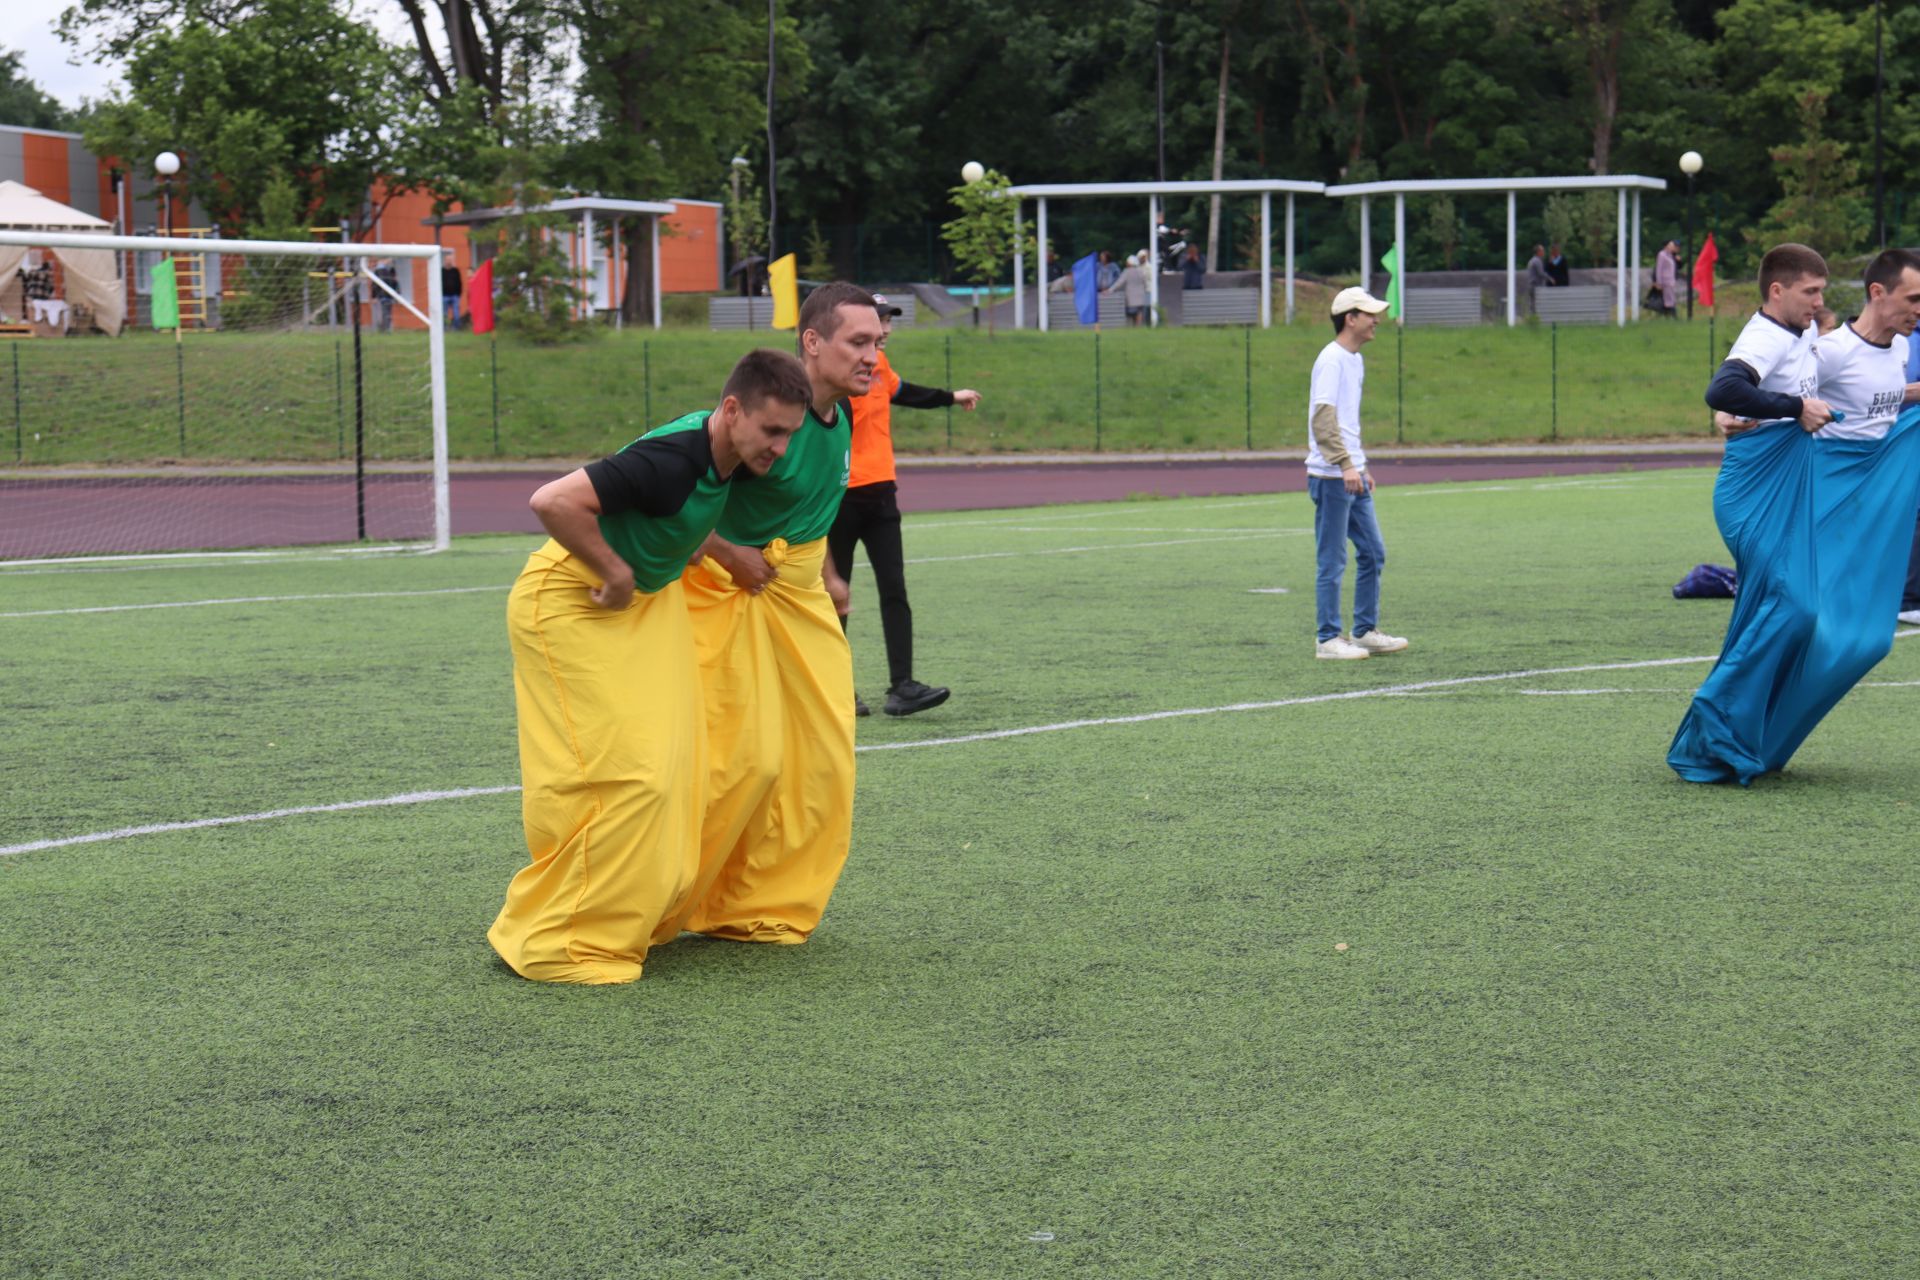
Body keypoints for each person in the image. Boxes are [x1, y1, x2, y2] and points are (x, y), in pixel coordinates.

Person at [487, 348, 811, 983]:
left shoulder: (726, 455)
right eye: (772, 431)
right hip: (573, 601)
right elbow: (551, 501)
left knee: (677, 770)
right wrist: (614, 570)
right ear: (733, 409)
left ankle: (633, 916)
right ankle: (557, 938)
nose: (780, 447)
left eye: (790, 434)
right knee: (631, 779)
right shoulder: (673, 460)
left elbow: (684, 518)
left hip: (637, 608)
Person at [656, 282, 881, 948]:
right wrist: (727, 553)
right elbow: (663, 490)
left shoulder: (842, 419)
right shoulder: (759, 422)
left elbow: (811, 512)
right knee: (740, 763)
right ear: (812, 343)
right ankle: (663, 900)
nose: (873, 357)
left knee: (822, 763)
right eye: (859, 342)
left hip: (798, 603)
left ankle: (757, 905)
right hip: (732, 602)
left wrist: (829, 575)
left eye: (879, 344)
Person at [1668, 245, 1920, 784]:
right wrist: (1734, 411)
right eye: (1811, 291)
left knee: (1813, 617)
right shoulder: (1786, 338)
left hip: (1791, 485)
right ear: (1778, 290)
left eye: (1823, 292)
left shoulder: (1806, 336)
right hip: (1763, 490)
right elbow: (1729, 388)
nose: (1821, 301)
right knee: (1797, 608)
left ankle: (1741, 737)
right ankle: (1716, 713)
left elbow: (1854, 392)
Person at [831, 293, 981, 717]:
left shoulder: (880, 368)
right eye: (880, 322)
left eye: (888, 322)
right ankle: (837, 689)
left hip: (881, 494)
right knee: (834, 595)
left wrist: (951, 397)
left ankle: (903, 686)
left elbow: (904, 392)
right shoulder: (838, 376)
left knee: (894, 589)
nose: (887, 330)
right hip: (840, 496)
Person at [1306, 287, 1410, 660]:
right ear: (1350, 318)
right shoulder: (1332, 359)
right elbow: (1324, 420)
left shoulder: (1355, 360)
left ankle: (1364, 630)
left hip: (1352, 474)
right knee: (1332, 560)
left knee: (1372, 551)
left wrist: (1361, 467)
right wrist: (1346, 465)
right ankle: (1327, 639)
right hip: (1332, 477)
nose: (1376, 320)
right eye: (1369, 314)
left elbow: (1347, 422)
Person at [1108, 252, 1150, 327]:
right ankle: (1138, 328)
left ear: (1130, 263)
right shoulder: (1141, 271)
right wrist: (1145, 290)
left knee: (1131, 315)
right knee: (1139, 313)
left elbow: (1119, 283)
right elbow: (1145, 282)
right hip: (1140, 297)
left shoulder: (1127, 272)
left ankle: (1132, 329)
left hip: (1131, 298)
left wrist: (1110, 290)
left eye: (1127, 262)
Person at [1652, 239, 1679, 316]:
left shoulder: (1671, 256)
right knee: (1669, 299)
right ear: (1666, 246)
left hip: (1671, 280)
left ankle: (1667, 315)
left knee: (1670, 299)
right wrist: (1658, 282)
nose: (1673, 247)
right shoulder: (1662, 255)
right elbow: (1659, 268)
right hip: (1665, 281)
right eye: (1671, 245)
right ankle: (1673, 316)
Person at [372, 259, 399, 333]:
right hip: (384, 295)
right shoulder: (380, 271)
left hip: (387, 295)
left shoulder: (389, 271)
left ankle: (385, 329)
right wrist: (374, 296)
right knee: (385, 313)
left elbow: (394, 283)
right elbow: (375, 284)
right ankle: (384, 329)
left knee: (386, 313)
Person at [440, 253, 462, 330]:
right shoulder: (441, 271)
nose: (449, 261)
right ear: (445, 260)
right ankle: (444, 327)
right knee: (444, 312)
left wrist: (459, 294)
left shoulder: (455, 271)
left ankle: (456, 327)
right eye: (447, 259)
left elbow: (459, 283)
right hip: (444, 295)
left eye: (450, 259)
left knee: (456, 312)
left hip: (454, 295)